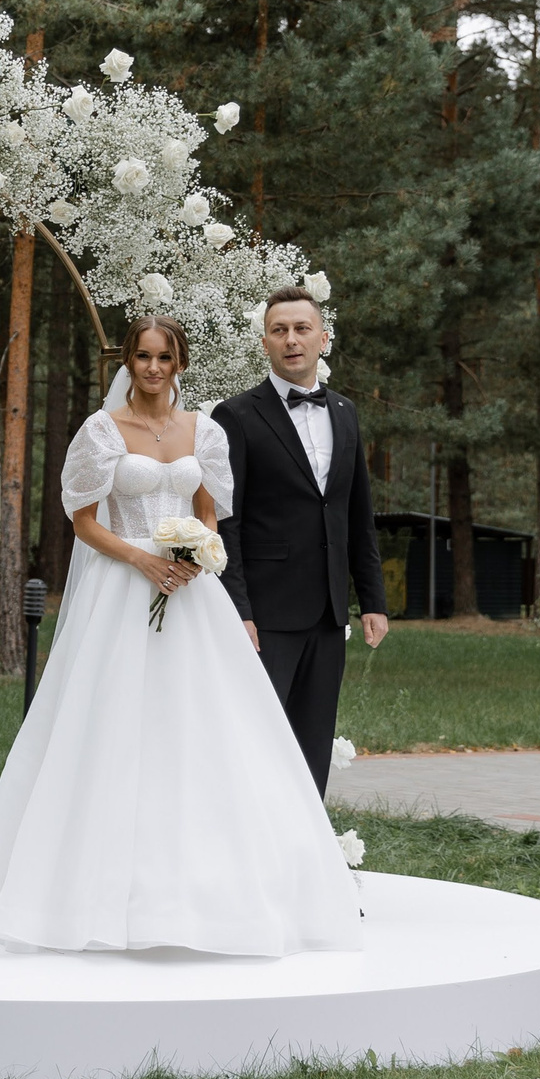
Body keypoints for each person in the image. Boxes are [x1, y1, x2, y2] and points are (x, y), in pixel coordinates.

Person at [0, 317, 364, 956]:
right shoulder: (102, 431)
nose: (153, 368)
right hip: (123, 589)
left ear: (180, 362)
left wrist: (198, 553)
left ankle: (217, 891)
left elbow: (207, 513)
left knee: (208, 730)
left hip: (192, 596)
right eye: (143, 356)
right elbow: (82, 522)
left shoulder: (206, 431)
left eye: (165, 357)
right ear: (129, 362)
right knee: (112, 726)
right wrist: (142, 559)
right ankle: (85, 889)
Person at [211, 286, 392, 793]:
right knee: (256, 740)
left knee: (313, 744)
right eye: (279, 331)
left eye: (302, 329)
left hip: (330, 611)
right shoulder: (236, 416)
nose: (292, 340)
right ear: (265, 343)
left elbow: (357, 513)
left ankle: (304, 858)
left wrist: (371, 599)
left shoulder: (346, 412)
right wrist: (239, 609)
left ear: (323, 339)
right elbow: (227, 523)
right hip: (265, 614)